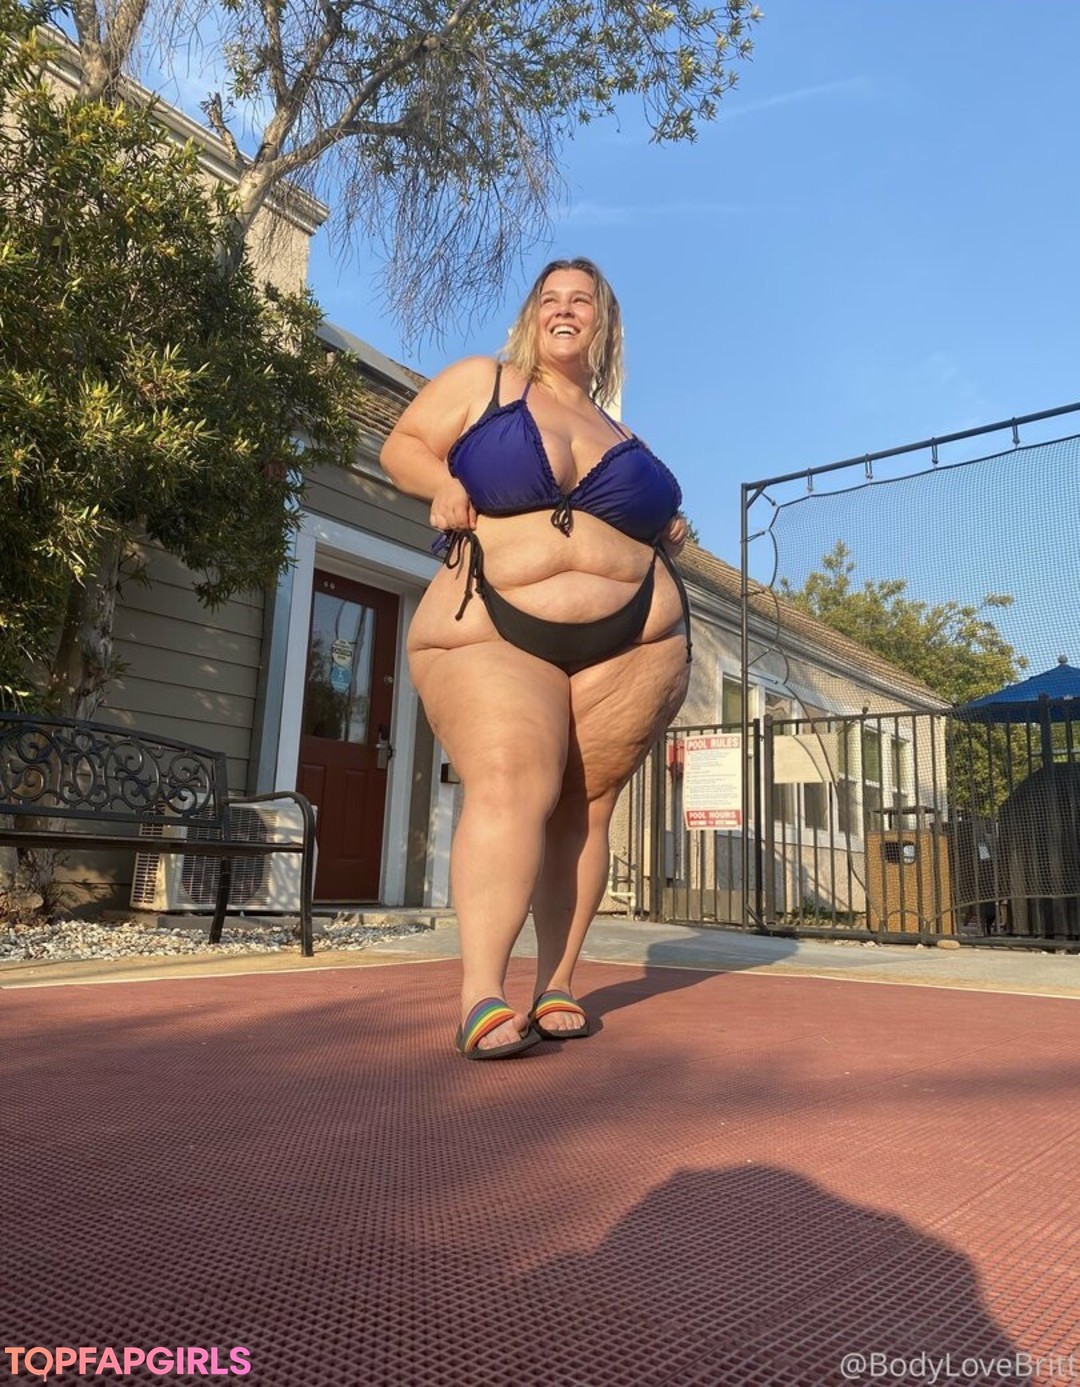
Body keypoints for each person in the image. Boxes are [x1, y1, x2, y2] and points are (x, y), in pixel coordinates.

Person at [381, 257, 691, 1059]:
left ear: (603, 323)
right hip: (492, 620)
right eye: (550, 298)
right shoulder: (484, 383)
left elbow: (657, 519)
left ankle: (557, 982)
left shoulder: (623, 435)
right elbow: (402, 446)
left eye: (581, 300)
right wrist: (441, 484)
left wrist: (668, 529)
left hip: (634, 641)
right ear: (531, 316)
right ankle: (482, 993)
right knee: (512, 777)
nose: (565, 309)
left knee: (586, 807)